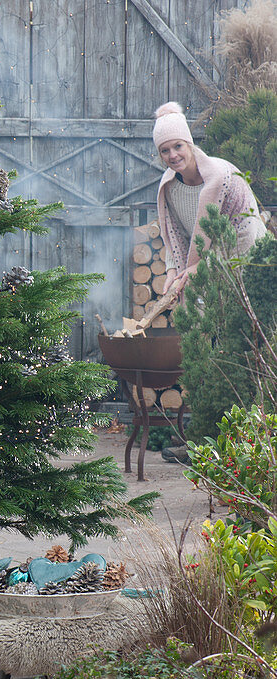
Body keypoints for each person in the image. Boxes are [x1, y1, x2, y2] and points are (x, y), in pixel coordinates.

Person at [151, 102, 267, 463]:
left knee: (242, 354)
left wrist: (194, 271)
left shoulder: (221, 176)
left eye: (177, 147)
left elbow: (240, 238)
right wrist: (174, 271)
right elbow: (175, 238)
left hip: (244, 267)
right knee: (200, 353)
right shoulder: (168, 187)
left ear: (190, 144)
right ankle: (202, 441)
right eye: (164, 150)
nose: (172, 155)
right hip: (205, 270)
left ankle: (249, 445)